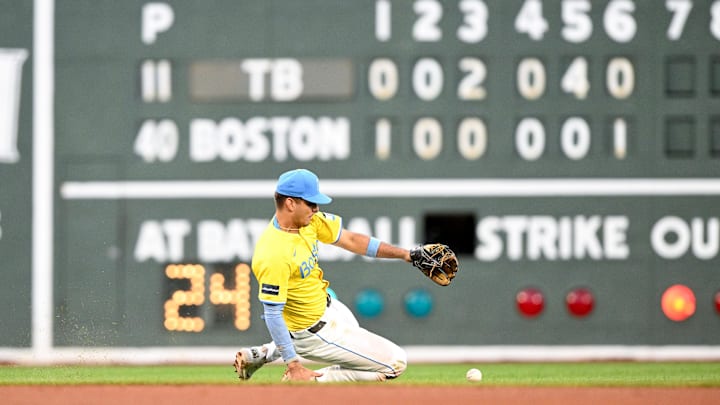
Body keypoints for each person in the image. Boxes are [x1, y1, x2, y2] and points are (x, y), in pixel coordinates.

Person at [234, 168, 410, 382]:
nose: (316, 209)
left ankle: (263, 353)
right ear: (290, 204)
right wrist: (294, 364)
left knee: (362, 357)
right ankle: (309, 381)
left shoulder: (308, 222)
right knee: (395, 363)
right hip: (313, 333)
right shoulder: (273, 253)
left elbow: (352, 240)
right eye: (311, 203)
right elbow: (272, 314)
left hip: (332, 309)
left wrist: (405, 254)